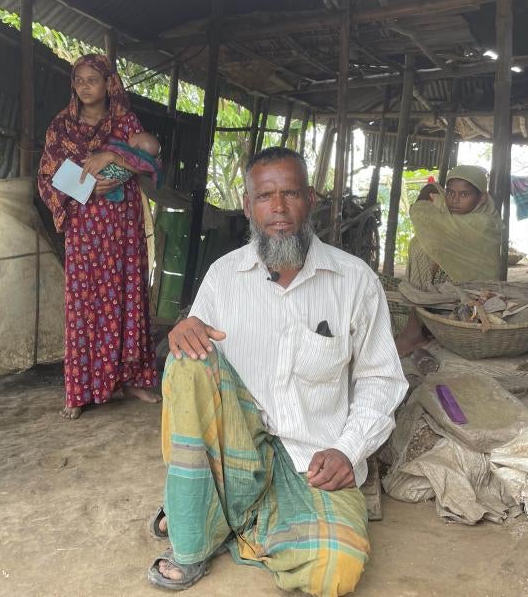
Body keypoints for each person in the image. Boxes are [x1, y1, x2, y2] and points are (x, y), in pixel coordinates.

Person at [146, 147, 408, 596]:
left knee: (336, 571)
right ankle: (191, 541)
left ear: (311, 199)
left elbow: (381, 379)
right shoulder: (224, 276)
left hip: (314, 456)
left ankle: (222, 517)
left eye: (291, 193)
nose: (280, 209)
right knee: (186, 361)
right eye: (266, 196)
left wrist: (348, 449)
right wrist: (183, 330)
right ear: (248, 206)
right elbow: (197, 360)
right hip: (237, 448)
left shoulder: (355, 280)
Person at [37, 54, 160, 420]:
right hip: (85, 225)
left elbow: (151, 161)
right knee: (85, 303)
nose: (85, 86)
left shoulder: (126, 122)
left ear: (110, 84)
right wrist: (87, 186)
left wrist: (113, 156)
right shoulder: (61, 127)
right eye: (79, 80)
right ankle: (80, 390)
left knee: (126, 296)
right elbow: (48, 176)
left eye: (93, 79)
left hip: (122, 225)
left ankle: (132, 377)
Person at [394, 165, 503, 356]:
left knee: (424, 248)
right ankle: (418, 321)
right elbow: (427, 216)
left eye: (464, 194)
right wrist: (430, 189)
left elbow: (421, 212)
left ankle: (414, 329)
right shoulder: (448, 217)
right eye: (451, 193)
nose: (455, 200)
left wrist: (429, 191)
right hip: (437, 291)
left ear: (482, 198)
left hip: (471, 296)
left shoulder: (484, 223)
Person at [96, 131, 163, 202]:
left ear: (136, 146)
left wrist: (113, 157)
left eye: (135, 136)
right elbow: (153, 171)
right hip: (112, 182)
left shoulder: (126, 150)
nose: (132, 134)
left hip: (101, 174)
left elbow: (111, 147)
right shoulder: (144, 165)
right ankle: (115, 194)